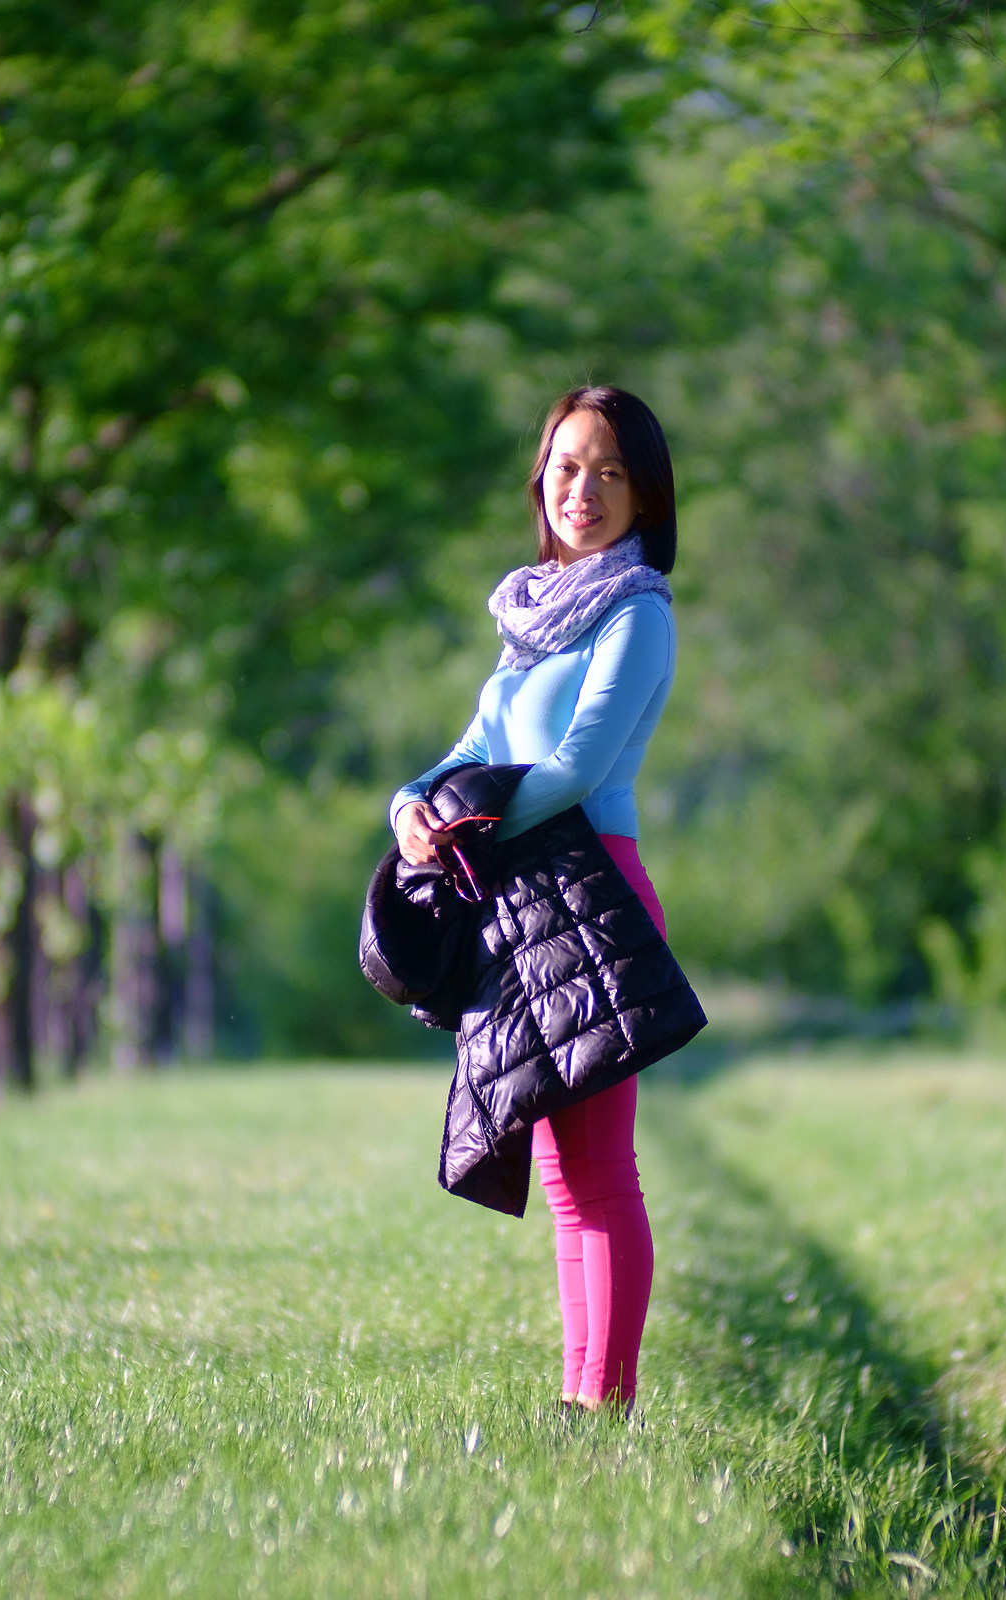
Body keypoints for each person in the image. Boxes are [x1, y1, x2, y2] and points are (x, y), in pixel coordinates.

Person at [390, 385, 680, 1412]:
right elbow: (474, 749)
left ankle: (607, 1403)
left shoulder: (636, 611)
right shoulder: (534, 620)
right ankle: (578, 1404)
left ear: (645, 494)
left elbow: (572, 764)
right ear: (539, 480)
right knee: (561, 1176)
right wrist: (411, 810)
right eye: (566, 466)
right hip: (517, 903)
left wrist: (467, 827)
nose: (583, 489)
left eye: (609, 470)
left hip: (590, 894)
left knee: (602, 1171)